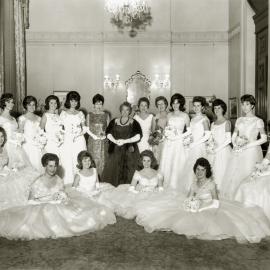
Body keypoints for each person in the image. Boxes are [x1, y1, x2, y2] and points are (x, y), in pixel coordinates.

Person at [135, 158, 270, 244]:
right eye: (198, 169)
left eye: (203, 170)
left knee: (212, 225)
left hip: (211, 208)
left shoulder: (211, 184)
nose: (200, 172)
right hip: (196, 206)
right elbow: (187, 197)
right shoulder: (194, 183)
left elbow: (216, 203)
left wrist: (200, 209)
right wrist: (189, 204)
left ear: (207, 171)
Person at [0, 153, 116, 240]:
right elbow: (30, 201)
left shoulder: (59, 180)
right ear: (45, 166)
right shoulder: (37, 181)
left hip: (58, 206)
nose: (53, 169)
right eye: (50, 166)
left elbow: (62, 193)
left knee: (78, 217)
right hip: (41, 208)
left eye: (55, 166)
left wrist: (62, 196)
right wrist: (49, 200)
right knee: (45, 223)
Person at [220, 95, 267, 199]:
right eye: (243, 104)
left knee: (247, 174)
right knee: (235, 173)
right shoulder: (239, 119)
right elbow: (234, 135)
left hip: (251, 152)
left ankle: (246, 198)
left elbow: (264, 139)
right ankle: (235, 197)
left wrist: (247, 145)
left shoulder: (258, 121)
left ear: (252, 106)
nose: (244, 107)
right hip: (238, 150)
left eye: (247, 104)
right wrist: (235, 144)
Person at [99, 150, 164, 219]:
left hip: (153, 195)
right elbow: (131, 188)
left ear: (152, 161)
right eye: (144, 160)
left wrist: (157, 193)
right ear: (141, 161)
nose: (146, 163)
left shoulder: (158, 174)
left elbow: (160, 188)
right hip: (140, 195)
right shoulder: (138, 173)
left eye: (148, 161)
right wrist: (138, 191)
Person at [102, 101, 142, 187]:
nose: (124, 112)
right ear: (120, 110)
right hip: (116, 150)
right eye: (123, 110)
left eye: (127, 110)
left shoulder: (134, 122)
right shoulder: (114, 121)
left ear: (130, 111)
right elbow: (108, 133)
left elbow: (138, 136)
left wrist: (125, 141)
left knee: (129, 170)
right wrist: (115, 141)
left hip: (130, 150)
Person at [0, 127, 39, 210]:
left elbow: (6, 164)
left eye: (2, 136)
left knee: (29, 173)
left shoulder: (4, 149)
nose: (1, 139)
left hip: (6, 173)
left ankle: (31, 199)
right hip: (1, 177)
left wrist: (13, 168)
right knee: (13, 184)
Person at [178, 96, 210, 194]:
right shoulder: (193, 119)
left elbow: (207, 135)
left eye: (198, 106)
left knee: (199, 168)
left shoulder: (204, 119)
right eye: (194, 106)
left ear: (202, 107)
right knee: (191, 167)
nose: (196, 108)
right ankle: (191, 189)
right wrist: (185, 139)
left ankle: (201, 189)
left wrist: (195, 143)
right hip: (192, 146)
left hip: (199, 146)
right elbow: (191, 133)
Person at [159, 93, 190, 190]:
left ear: (181, 104)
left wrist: (177, 137)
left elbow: (189, 132)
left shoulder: (185, 116)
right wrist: (164, 137)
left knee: (177, 163)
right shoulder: (169, 115)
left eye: (177, 103)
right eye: (173, 103)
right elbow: (166, 129)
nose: (175, 105)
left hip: (179, 143)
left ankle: (175, 185)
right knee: (167, 163)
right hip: (168, 143)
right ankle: (166, 184)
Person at [235, 145, 270, 220]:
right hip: (267, 171)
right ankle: (247, 216)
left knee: (262, 191)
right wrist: (260, 167)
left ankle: (260, 217)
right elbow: (268, 157)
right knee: (245, 185)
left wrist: (263, 173)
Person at [60, 91, 87, 185]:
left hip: (79, 140)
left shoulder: (80, 114)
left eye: (76, 101)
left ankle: (80, 182)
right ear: (68, 101)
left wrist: (79, 133)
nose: (74, 103)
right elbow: (60, 129)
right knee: (68, 160)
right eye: (72, 101)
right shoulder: (63, 114)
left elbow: (84, 128)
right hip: (67, 140)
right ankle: (69, 182)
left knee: (78, 159)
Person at [0, 93, 30, 169]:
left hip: (16, 145)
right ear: (4, 103)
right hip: (6, 146)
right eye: (8, 102)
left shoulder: (13, 118)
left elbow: (17, 132)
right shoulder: (1, 118)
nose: (11, 104)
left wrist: (21, 131)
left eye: (12, 102)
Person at [207, 99, 232, 190]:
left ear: (223, 109)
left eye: (219, 108)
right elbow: (210, 138)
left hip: (223, 151)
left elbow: (228, 140)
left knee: (221, 171)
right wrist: (209, 145)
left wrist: (216, 149)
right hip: (213, 150)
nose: (216, 110)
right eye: (215, 108)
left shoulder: (226, 122)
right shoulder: (212, 124)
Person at [19, 96, 43, 172]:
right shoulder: (22, 118)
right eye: (29, 105)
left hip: (37, 146)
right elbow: (20, 134)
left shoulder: (39, 118)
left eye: (33, 104)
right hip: (27, 146)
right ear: (26, 106)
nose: (32, 107)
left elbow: (41, 133)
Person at [86, 94, 108, 176]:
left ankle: (102, 178)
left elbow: (108, 129)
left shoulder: (106, 115)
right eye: (97, 103)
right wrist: (95, 136)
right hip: (93, 141)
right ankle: (93, 177)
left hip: (103, 142)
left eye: (100, 104)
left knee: (103, 160)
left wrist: (104, 135)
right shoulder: (89, 115)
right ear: (93, 104)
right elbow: (87, 129)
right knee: (93, 160)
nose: (99, 106)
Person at [149, 96, 168, 163]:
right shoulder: (155, 118)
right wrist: (155, 138)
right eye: (158, 104)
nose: (160, 106)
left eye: (162, 104)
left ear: (166, 104)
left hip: (168, 142)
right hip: (158, 142)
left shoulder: (170, 116)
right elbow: (153, 131)